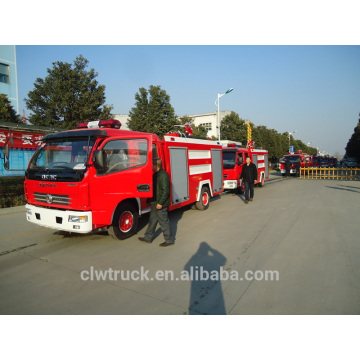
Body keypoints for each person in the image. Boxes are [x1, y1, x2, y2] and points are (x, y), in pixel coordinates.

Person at [139, 158, 174, 247]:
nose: (150, 166)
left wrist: (160, 203)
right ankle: (148, 237)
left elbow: (165, 191)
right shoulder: (156, 175)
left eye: (151, 164)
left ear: (156, 165)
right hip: (155, 202)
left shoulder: (163, 175)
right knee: (152, 221)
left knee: (163, 222)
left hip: (160, 203)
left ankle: (169, 240)